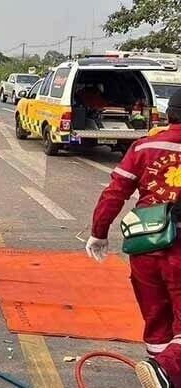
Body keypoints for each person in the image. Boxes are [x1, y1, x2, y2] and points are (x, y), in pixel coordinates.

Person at [88, 89, 181, 388]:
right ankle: (166, 370)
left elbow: (115, 193)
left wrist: (98, 233)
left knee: (156, 319)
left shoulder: (143, 147)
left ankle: (158, 368)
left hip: (146, 246)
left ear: (169, 114)